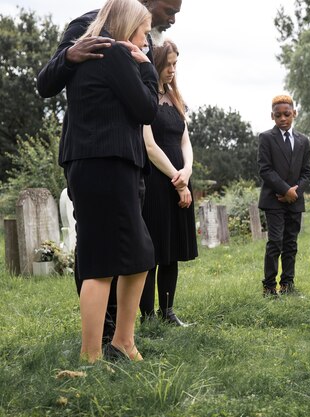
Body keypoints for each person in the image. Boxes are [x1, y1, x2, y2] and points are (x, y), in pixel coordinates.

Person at [36, 0, 183, 350]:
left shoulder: (140, 41)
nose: (173, 19)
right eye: (171, 9)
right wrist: (69, 55)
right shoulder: (88, 28)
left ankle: (120, 339)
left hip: (128, 157)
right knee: (100, 253)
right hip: (97, 154)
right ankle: (100, 337)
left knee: (134, 251)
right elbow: (45, 83)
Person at [61, 0, 159, 362]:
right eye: (145, 33)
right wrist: (147, 67)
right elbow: (147, 108)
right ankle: (91, 355)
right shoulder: (116, 54)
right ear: (130, 26)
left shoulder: (89, 57)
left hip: (92, 165)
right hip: (108, 165)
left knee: (137, 255)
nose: (146, 41)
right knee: (101, 262)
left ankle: (121, 341)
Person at [139, 39, 198, 326]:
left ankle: (168, 312)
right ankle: (147, 316)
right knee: (152, 251)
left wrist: (186, 170)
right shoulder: (146, 100)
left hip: (178, 180)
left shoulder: (177, 101)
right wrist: (177, 178)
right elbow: (149, 146)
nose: (173, 69)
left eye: (176, 64)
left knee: (172, 250)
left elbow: (185, 141)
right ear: (156, 64)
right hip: (155, 184)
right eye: (168, 64)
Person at [257, 95, 310, 297]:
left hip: (295, 201)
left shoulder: (303, 141)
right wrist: (284, 190)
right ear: (272, 116)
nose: (283, 119)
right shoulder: (266, 138)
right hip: (274, 200)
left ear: (294, 114)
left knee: (291, 243)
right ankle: (269, 287)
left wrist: (294, 193)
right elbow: (265, 169)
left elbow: (307, 172)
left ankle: (287, 285)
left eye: (287, 114)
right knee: (275, 242)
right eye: (278, 115)